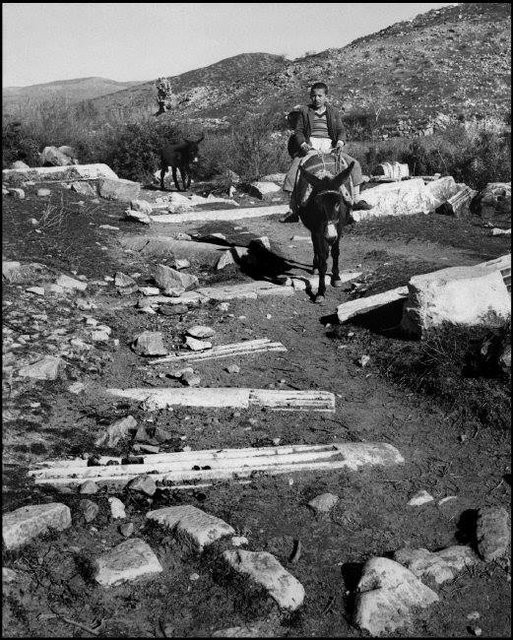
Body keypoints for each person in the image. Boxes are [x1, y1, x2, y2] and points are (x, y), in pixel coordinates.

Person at [281, 82, 371, 222]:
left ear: (326, 96)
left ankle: (356, 199)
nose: (316, 99)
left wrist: (340, 143)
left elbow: (341, 130)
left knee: (355, 164)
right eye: (313, 96)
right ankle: (291, 209)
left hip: (329, 145)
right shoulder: (305, 111)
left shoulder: (333, 112)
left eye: (320, 96)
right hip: (311, 145)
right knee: (295, 169)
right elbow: (298, 131)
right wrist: (304, 144)